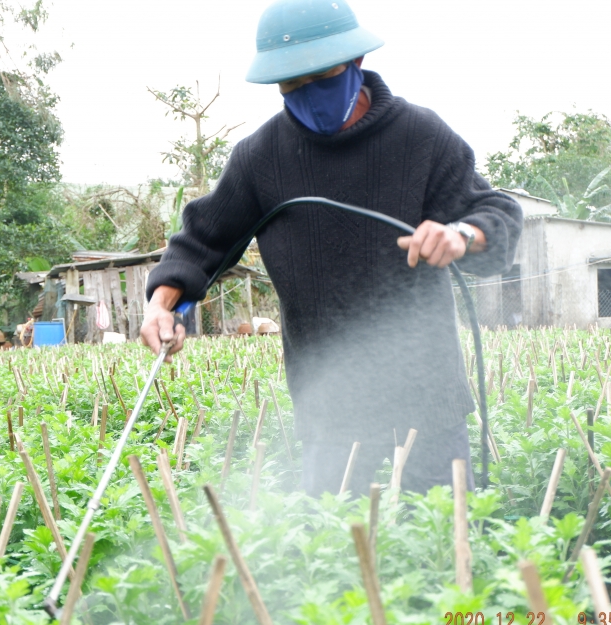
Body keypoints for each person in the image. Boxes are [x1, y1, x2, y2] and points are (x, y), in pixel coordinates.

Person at [140, 0, 522, 496]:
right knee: (331, 549)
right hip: (330, 403)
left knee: (443, 547)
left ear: (356, 63)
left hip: (426, 395)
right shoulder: (261, 158)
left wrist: (461, 235)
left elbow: (497, 213)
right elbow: (201, 242)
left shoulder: (420, 136)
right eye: (291, 85)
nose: (307, 94)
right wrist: (161, 305)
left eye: (321, 77)